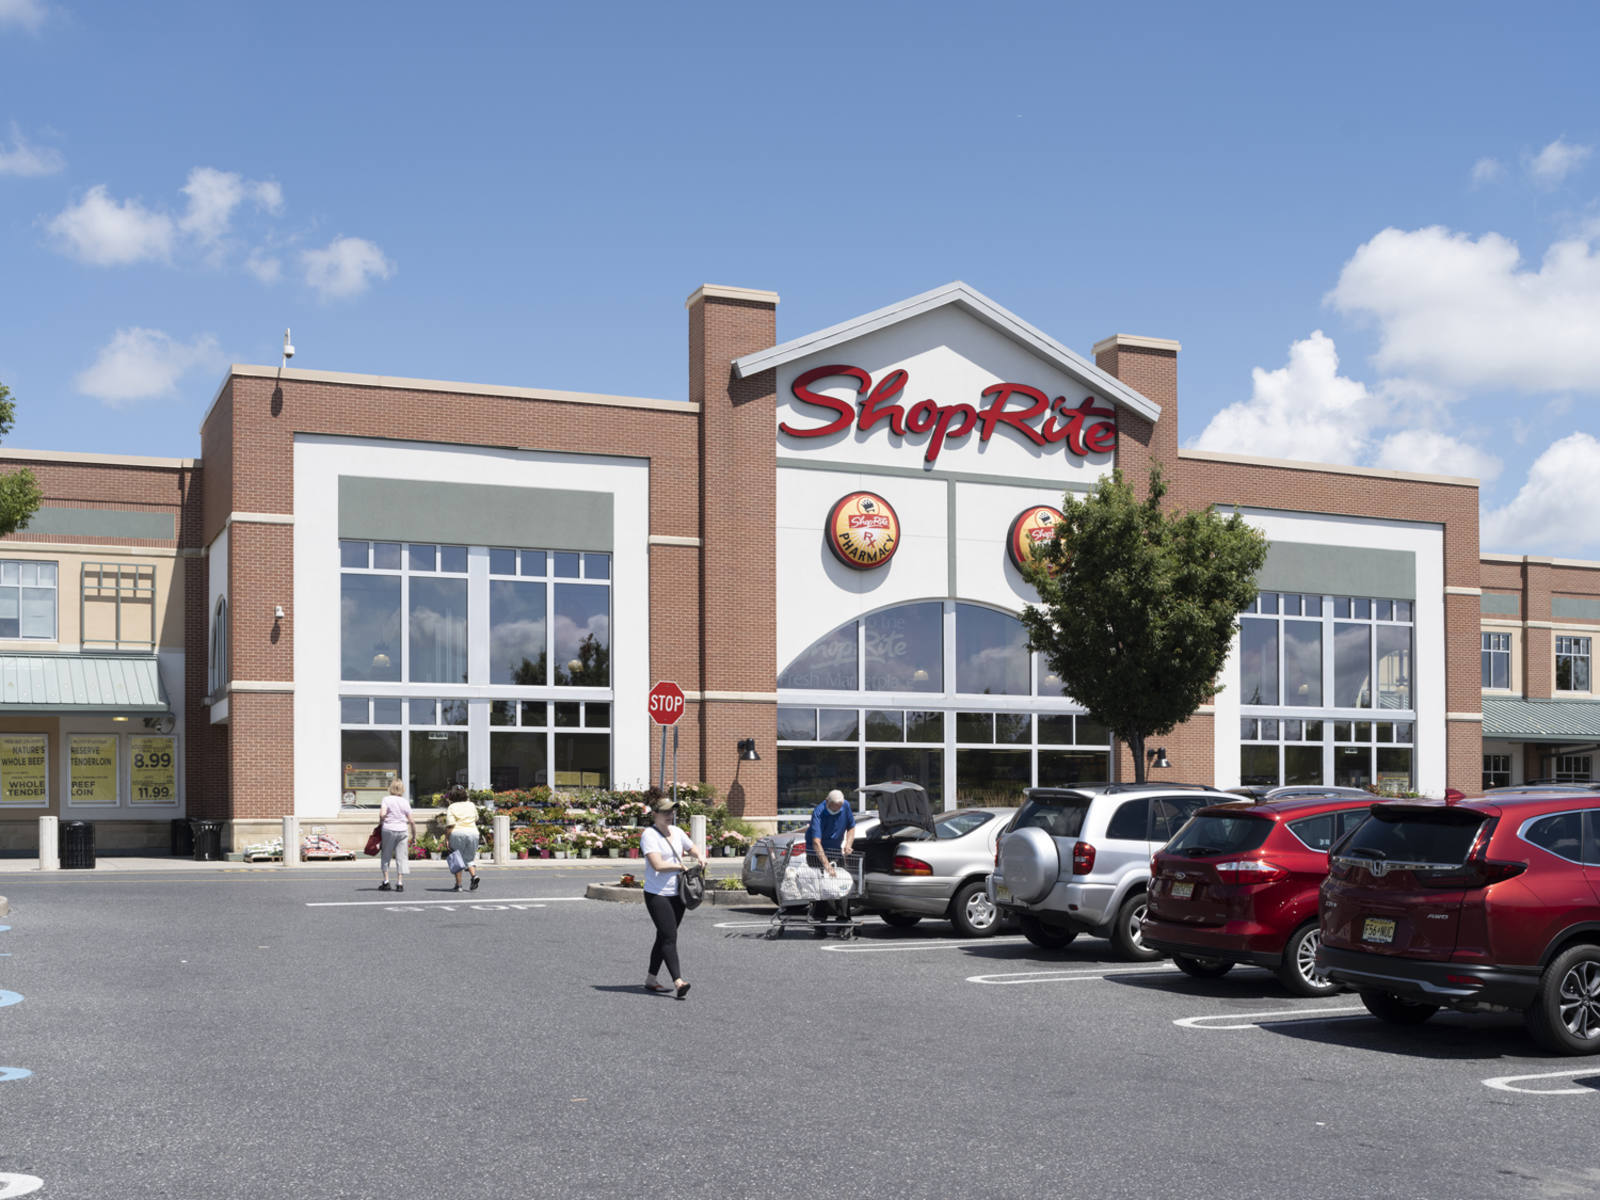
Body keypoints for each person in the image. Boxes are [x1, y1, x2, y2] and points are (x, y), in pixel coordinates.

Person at [640, 795, 707, 999]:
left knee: (663, 936)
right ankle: (679, 982)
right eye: (665, 812)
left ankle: (651, 979)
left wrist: (699, 855)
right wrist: (679, 866)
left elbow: (691, 847)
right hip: (657, 894)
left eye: (672, 811)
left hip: (678, 893)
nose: (670, 815)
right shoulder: (649, 835)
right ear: (654, 814)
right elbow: (657, 865)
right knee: (669, 936)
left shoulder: (677, 832)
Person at [807, 788, 857, 930]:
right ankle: (819, 920)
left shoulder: (845, 806)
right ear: (826, 801)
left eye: (838, 808)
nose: (836, 810)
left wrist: (848, 844)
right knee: (822, 887)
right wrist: (827, 866)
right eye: (833, 807)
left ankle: (843, 920)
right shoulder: (819, 812)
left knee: (842, 885)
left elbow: (851, 827)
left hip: (835, 851)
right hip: (816, 852)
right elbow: (816, 842)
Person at [377, 779, 417, 893]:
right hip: (402, 830)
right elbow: (412, 821)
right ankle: (399, 883)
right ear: (402, 789)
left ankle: (386, 881)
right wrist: (414, 836)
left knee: (386, 855)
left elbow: (382, 814)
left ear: (391, 788)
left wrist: (382, 820)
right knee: (402, 856)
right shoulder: (405, 802)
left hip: (389, 829)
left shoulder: (386, 799)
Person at [442, 787, 481, 892]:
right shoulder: (471, 805)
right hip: (473, 833)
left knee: (457, 859)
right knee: (469, 858)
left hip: (458, 832)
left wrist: (447, 838)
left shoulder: (452, 807)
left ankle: (458, 885)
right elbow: (476, 818)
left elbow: (450, 825)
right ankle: (474, 876)